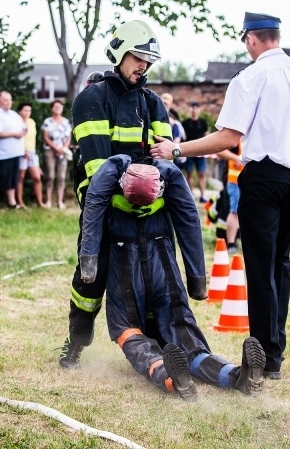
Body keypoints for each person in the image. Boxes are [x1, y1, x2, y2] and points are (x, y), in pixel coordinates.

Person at [151, 11, 290, 380]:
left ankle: (265, 358)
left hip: (265, 177)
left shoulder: (250, 77)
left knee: (260, 265)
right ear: (277, 37)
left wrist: (176, 149)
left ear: (251, 39)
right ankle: (274, 354)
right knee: (280, 263)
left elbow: (228, 137)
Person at [80, 155, 266, 398]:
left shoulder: (109, 175)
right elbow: (189, 220)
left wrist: (88, 264)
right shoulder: (169, 176)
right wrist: (197, 280)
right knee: (186, 339)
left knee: (129, 331)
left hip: (124, 264)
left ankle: (170, 379)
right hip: (163, 264)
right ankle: (234, 374)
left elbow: (92, 212)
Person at [58, 19, 172, 369]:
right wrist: (125, 199)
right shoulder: (90, 100)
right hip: (103, 208)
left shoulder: (153, 104)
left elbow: (163, 162)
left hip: (148, 209)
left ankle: (158, 351)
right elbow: (98, 170)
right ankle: (75, 343)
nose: (144, 66)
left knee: (153, 280)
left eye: (149, 61)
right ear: (120, 53)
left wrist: (154, 197)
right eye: (138, 57)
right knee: (90, 279)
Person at [0, 91, 26, 211]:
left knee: (12, 179)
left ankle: (11, 202)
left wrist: (23, 132)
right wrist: (15, 134)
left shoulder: (14, 114)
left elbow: (23, 127)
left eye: (10, 100)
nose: (9, 102)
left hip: (15, 153)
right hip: (0, 154)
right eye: (6, 100)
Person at [41, 99, 72, 209]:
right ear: (51, 108)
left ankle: (59, 201)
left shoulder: (66, 122)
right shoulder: (47, 121)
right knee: (50, 176)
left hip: (63, 151)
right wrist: (55, 148)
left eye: (60, 107)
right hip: (50, 150)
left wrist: (63, 148)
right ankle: (48, 201)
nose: (58, 108)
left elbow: (69, 137)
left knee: (61, 177)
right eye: (56, 107)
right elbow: (45, 137)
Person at [15, 103, 44, 209]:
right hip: (21, 152)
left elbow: (33, 139)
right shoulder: (16, 122)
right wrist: (22, 151)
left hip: (32, 152)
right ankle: (20, 202)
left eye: (29, 110)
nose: (27, 113)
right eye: (25, 110)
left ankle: (40, 202)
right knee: (20, 177)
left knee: (37, 177)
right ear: (20, 111)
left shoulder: (32, 122)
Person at [180, 102, 209, 201]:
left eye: (196, 108)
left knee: (202, 173)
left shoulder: (203, 122)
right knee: (189, 173)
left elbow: (207, 137)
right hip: (189, 152)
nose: (194, 110)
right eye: (192, 108)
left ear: (199, 109)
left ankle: (203, 195)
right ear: (190, 109)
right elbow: (183, 138)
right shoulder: (185, 123)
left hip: (201, 152)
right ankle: (191, 195)